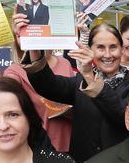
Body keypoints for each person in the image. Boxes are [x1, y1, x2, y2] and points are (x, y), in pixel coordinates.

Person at [16, 17, 129, 163]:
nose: (107, 55)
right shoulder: (80, 82)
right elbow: (47, 85)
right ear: (90, 50)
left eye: (113, 47)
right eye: (100, 47)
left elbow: (122, 116)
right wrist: (34, 46)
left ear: (122, 49)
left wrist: (90, 77)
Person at [4, 13, 81, 153]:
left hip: (71, 139)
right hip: (40, 143)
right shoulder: (15, 71)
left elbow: (73, 96)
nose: (26, 38)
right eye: (21, 35)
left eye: (29, 34)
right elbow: (3, 91)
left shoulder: (64, 63)